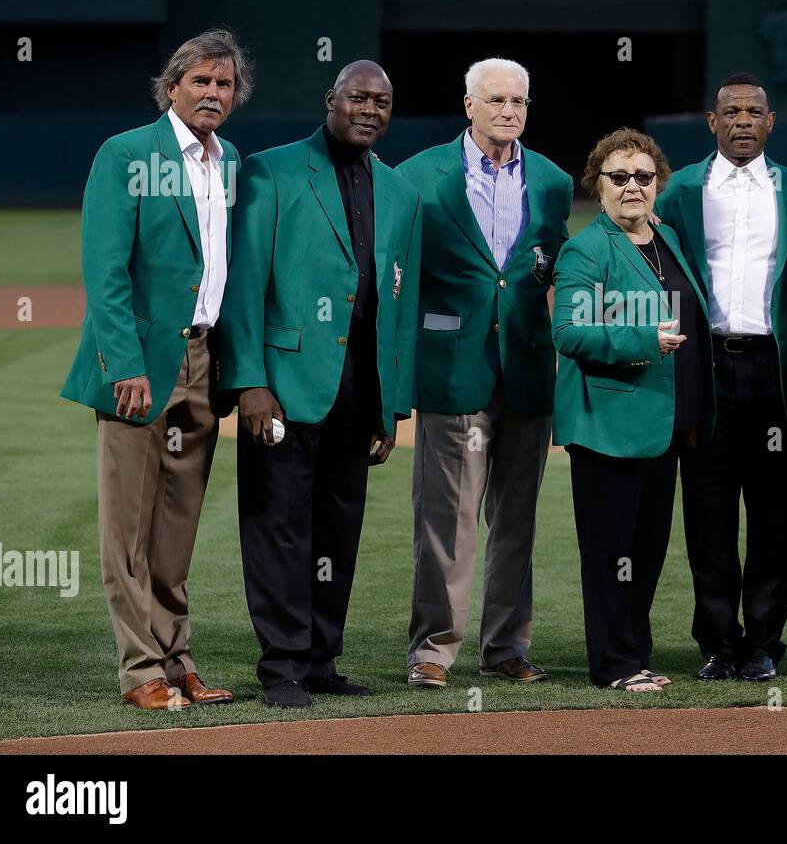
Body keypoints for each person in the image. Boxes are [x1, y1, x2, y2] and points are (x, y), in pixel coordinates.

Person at [217, 61, 422, 708]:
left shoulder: (401, 193)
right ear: (329, 99)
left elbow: (400, 306)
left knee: (338, 529)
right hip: (284, 384)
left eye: (382, 101)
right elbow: (243, 283)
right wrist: (249, 381)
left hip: (359, 393)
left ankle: (320, 657)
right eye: (358, 97)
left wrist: (392, 405)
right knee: (279, 527)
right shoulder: (270, 170)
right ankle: (281, 665)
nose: (369, 108)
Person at [61, 28, 250, 710]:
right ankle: (140, 668)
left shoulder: (228, 160)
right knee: (128, 530)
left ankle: (178, 661)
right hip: (140, 367)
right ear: (171, 87)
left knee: (176, 527)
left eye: (223, 83)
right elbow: (104, 269)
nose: (212, 93)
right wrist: (125, 365)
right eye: (199, 80)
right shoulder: (127, 153)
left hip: (201, 359)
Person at [396, 58, 573, 689]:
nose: (510, 111)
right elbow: (396, 280)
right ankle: (433, 649)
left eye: (520, 101)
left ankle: (506, 646)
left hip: (527, 370)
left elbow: (552, 272)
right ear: (467, 104)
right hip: (452, 370)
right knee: (447, 519)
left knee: (516, 518)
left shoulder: (552, 181)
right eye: (496, 99)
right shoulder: (417, 177)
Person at [655, 73, 787, 683]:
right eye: (732, 112)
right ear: (712, 121)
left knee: (778, 513)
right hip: (708, 368)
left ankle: (765, 643)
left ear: (771, 123)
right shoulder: (679, 193)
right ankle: (719, 643)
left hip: (776, 368)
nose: (744, 120)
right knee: (708, 511)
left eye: (755, 112)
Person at [552, 128, 715, 692]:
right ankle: (614, 664)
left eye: (643, 177)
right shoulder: (586, 248)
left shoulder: (666, 237)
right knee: (610, 553)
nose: (631, 187)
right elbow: (569, 331)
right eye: (618, 177)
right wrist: (642, 338)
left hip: (661, 425)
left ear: (658, 184)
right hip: (606, 423)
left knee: (644, 552)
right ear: (597, 187)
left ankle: (635, 655)